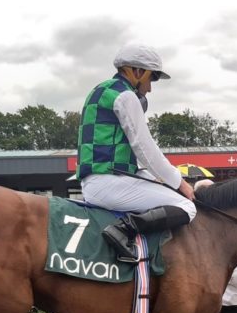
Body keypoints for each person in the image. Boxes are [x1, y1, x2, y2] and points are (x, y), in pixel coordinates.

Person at [76, 44, 196, 263]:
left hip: (99, 179)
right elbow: (145, 148)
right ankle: (123, 231)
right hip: (109, 183)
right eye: (151, 79)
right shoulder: (126, 96)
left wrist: (164, 180)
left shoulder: (99, 90)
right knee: (186, 206)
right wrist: (180, 183)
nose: (149, 88)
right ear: (137, 71)